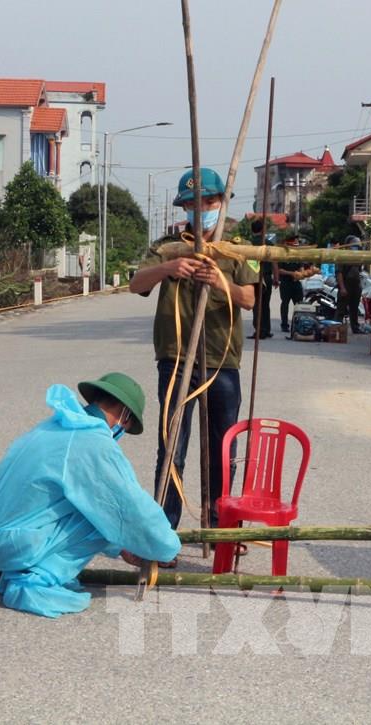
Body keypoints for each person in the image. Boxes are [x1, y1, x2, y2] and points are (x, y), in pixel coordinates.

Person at [0, 373, 181, 619]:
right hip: (8, 544)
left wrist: (120, 547)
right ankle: (36, 580)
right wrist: (165, 546)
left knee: (88, 501)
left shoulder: (54, 424)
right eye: (127, 426)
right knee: (103, 509)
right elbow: (130, 509)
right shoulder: (93, 443)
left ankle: (23, 564)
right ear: (124, 415)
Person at [128, 167, 258, 532]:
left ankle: (220, 526)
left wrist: (220, 282)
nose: (201, 210)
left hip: (221, 360)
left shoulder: (238, 248)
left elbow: (249, 298)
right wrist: (170, 267)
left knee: (223, 451)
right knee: (172, 448)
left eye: (209, 202)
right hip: (175, 358)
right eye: (192, 204)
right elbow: (136, 284)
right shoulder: (168, 246)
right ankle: (163, 530)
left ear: (222, 202)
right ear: (183, 207)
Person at [248, 217, 275, 340]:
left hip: (255, 278)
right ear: (263, 230)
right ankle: (266, 329)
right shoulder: (269, 244)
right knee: (266, 304)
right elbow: (275, 262)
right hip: (267, 277)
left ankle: (259, 330)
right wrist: (277, 278)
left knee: (257, 305)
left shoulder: (249, 244)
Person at [275, 228, 307, 334]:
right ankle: (284, 325)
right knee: (285, 304)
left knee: (299, 305)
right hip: (285, 283)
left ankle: (297, 324)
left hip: (296, 283)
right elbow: (279, 270)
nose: (296, 244)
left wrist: (301, 274)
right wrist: (291, 273)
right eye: (294, 242)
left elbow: (301, 267)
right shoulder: (283, 254)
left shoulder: (298, 255)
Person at [335, 234, 364, 334]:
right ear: (348, 246)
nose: (356, 248)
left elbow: (359, 271)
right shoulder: (342, 256)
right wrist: (342, 288)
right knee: (341, 309)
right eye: (354, 245)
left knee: (354, 308)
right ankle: (336, 329)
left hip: (356, 285)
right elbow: (339, 273)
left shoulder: (358, 257)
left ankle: (355, 327)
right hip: (346, 284)